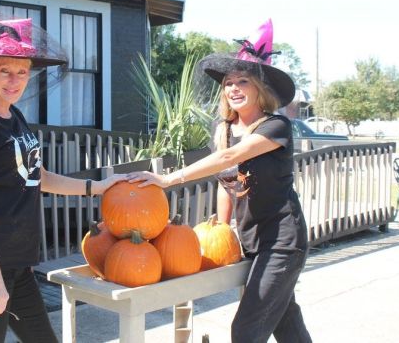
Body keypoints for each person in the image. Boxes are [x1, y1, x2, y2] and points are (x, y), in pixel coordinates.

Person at [0, 16, 125, 343]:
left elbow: (39, 177)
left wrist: (98, 187)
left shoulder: (13, 115)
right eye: (5, 70)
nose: (15, 80)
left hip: (17, 266)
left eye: (22, 72)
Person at [127, 19, 312, 342]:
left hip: (283, 241)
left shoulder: (275, 127)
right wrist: (221, 230)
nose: (234, 88)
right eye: (228, 83)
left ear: (260, 88)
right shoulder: (223, 129)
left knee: (246, 330)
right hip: (253, 240)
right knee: (286, 323)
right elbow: (226, 181)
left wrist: (168, 179)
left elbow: (231, 158)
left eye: (243, 81)